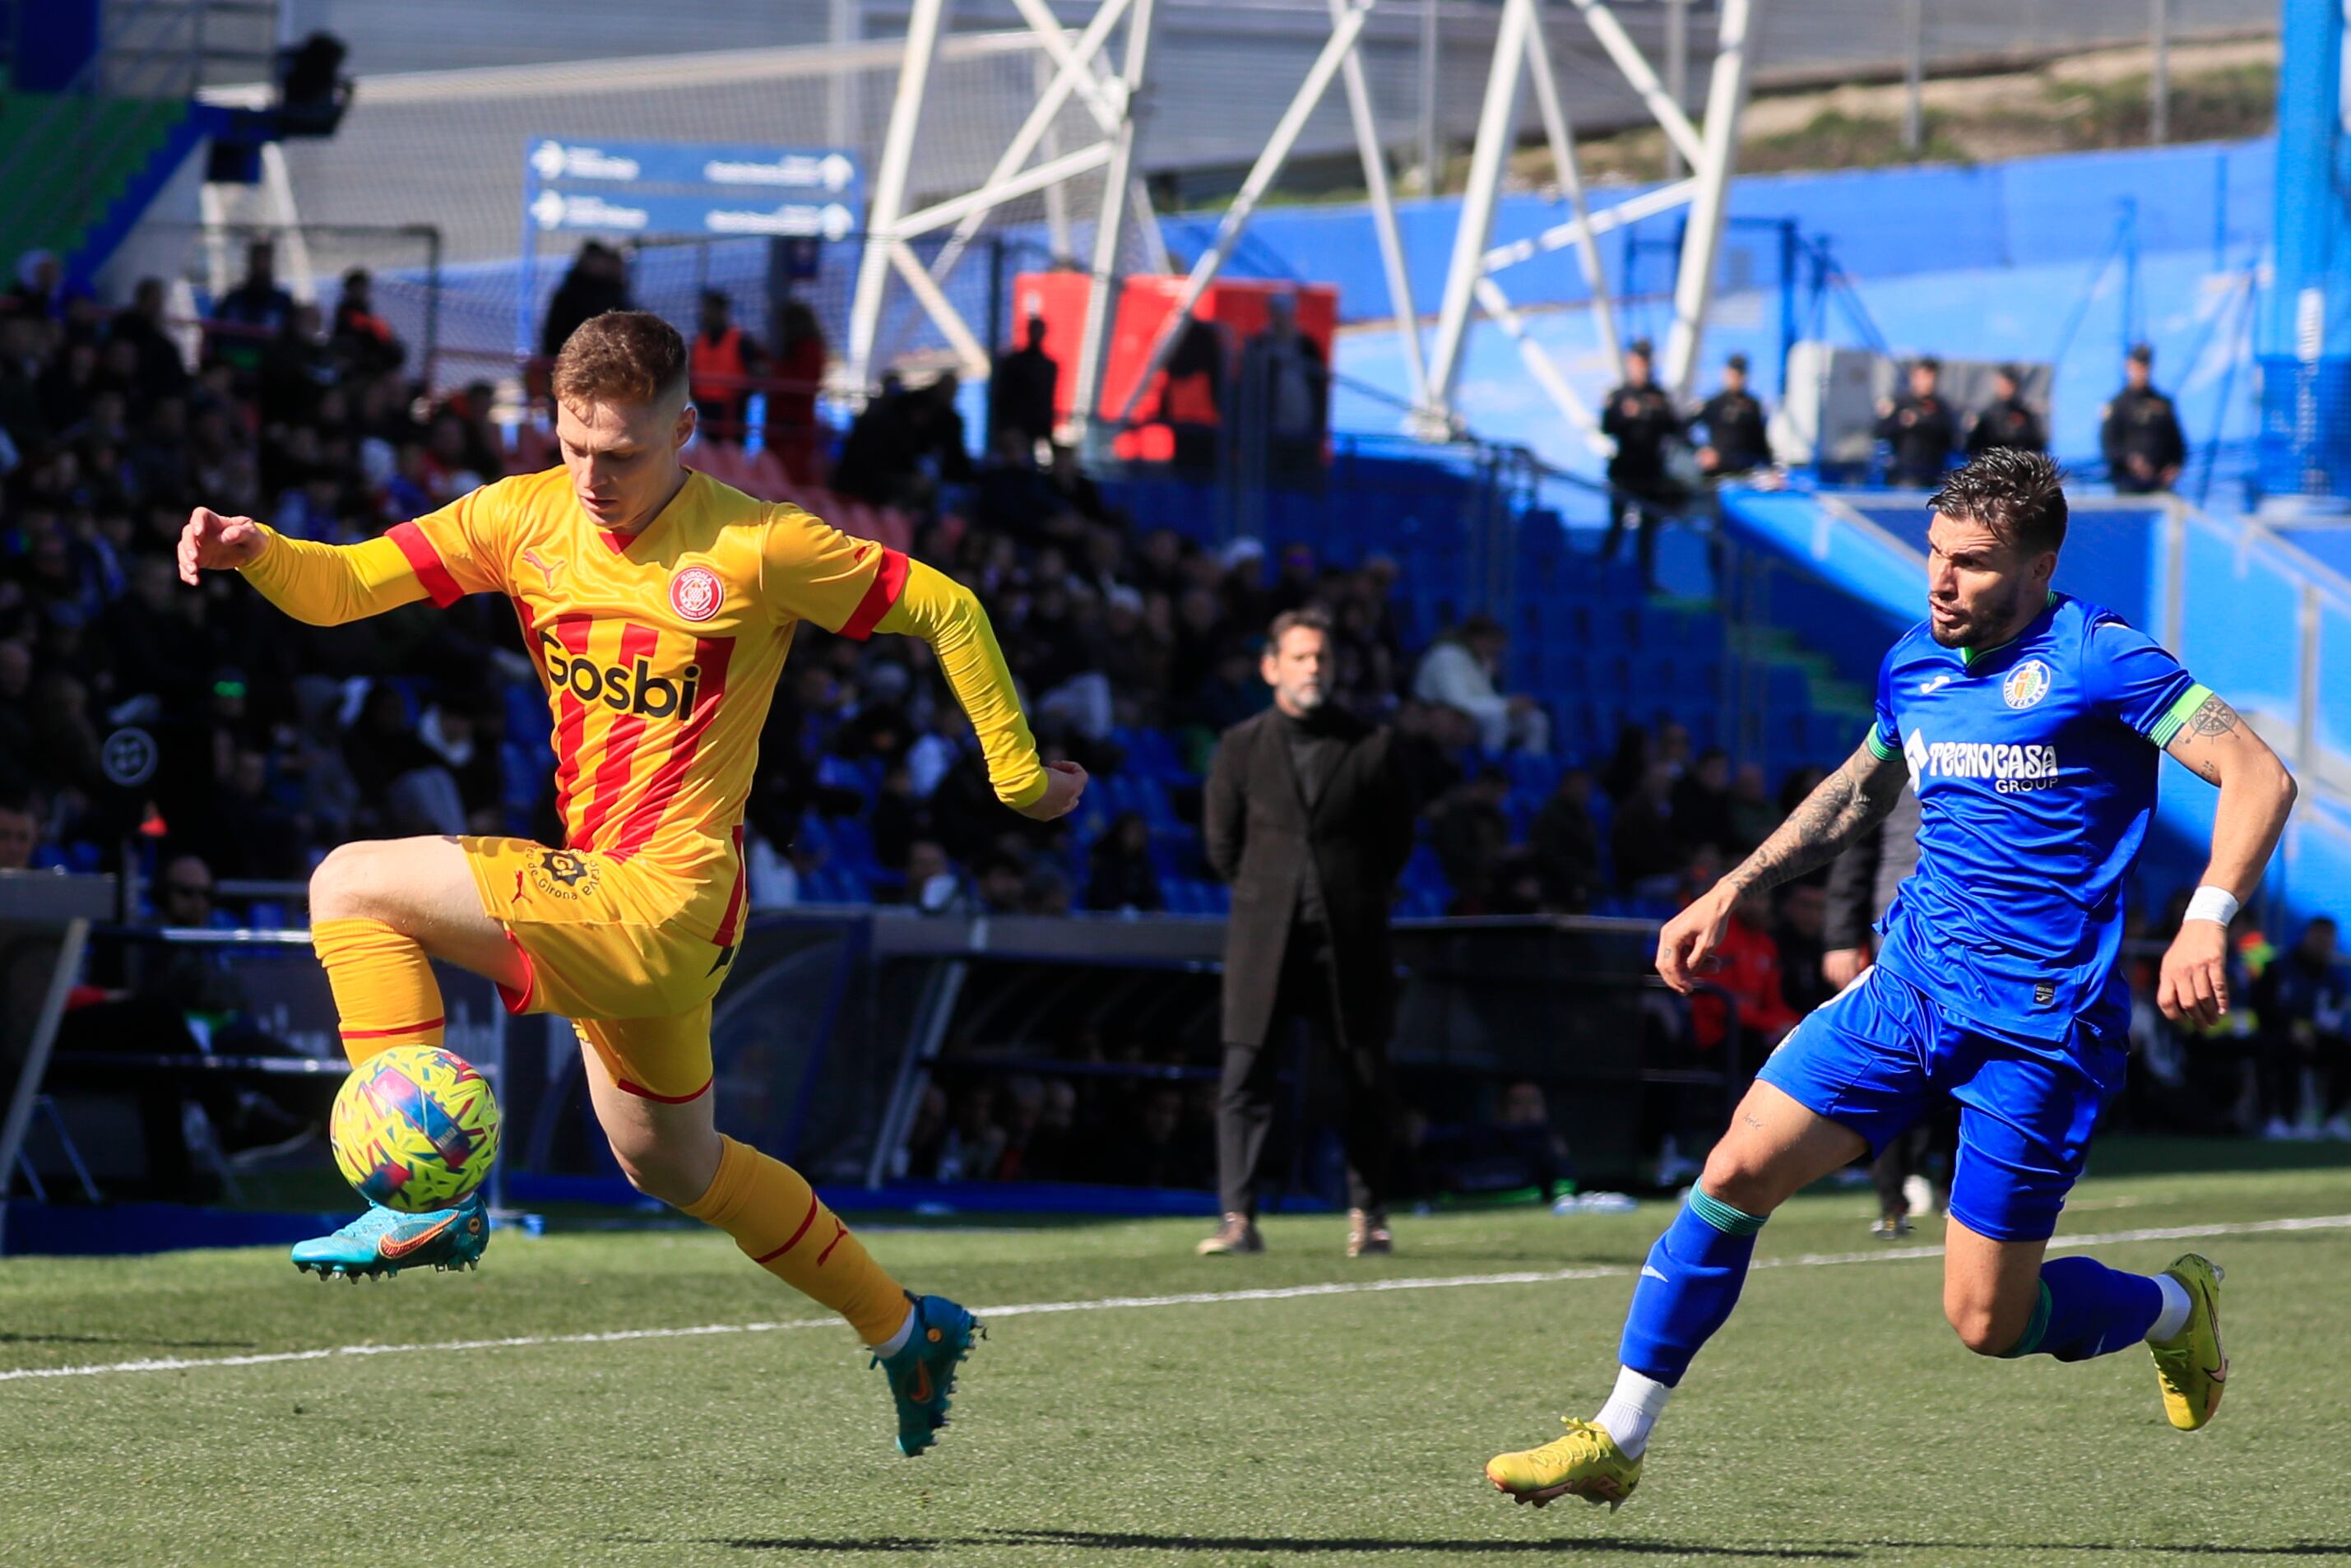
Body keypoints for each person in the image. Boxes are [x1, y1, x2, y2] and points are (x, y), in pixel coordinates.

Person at [178, 308, 1087, 1458]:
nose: (593, 477)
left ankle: (421, 1200)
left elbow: (946, 606)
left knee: (351, 883)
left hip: (670, 899)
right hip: (618, 902)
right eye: (574, 445)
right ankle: (905, 1327)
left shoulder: (757, 544)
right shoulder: (521, 516)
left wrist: (1018, 776)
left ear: (684, 429)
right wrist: (258, 551)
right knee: (673, 1161)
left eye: (622, 452)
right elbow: (348, 584)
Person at [1486, 448, 2296, 1509]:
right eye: (1933, 553)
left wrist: (2204, 919)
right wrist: (1728, 888)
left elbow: (2256, 774)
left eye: (1971, 562)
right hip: (1905, 991)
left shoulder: (2099, 657)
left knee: (1986, 1321)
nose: (1940, 580)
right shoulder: (1912, 660)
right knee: (1732, 1172)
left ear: (2039, 565)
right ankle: (1618, 1433)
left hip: (2038, 1026)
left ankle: (2172, 1309)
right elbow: (1856, 792)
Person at [1199, 606, 1415, 1260]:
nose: (1313, 668)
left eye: (1321, 656)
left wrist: (1351, 896)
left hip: (1351, 941)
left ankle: (1369, 1216)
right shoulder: (1239, 746)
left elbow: (1396, 844)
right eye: (1300, 657)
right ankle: (1237, 1219)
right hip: (1263, 939)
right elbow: (1222, 846)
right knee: (1245, 1077)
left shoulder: (1373, 745)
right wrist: (1270, 895)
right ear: (1271, 668)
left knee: (1364, 1077)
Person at [1820, 784, 1948, 1236]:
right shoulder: (1897, 758)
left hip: (1973, 934)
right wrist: (1840, 938)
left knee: (1971, 1063)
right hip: (1899, 936)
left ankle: (1954, 1187)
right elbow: (1854, 849)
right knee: (1893, 1064)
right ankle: (1892, 1200)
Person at [1599, 338, 1685, 592]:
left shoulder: (1659, 397)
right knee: (1617, 526)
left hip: (1651, 473)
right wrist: (1625, 415)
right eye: (1638, 362)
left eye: (1645, 362)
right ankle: (1602, 579)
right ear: (1630, 363)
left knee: (1648, 531)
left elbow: (1675, 428)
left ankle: (1645, 582)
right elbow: (1607, 427)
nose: (1642, 367)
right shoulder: (1619, 395)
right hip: (1624, 472)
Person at [1410, 614, 1549, 754]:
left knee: (1535, 719)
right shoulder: (1446, 656)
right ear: (1478, 639)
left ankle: (1532, 764)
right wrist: (1506, 707)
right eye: (1493, 643)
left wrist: (1510, 705)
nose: (1496, 650)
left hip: (1472, 715)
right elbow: (1457, 701)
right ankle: (1490, 762)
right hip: (1438, 715)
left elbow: (1485, 698)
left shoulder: (1481, 661)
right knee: (1497, 719)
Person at [2102, 343, 2186, 496]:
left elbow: (2177, 443)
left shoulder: (2162, 404)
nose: (2142, 371)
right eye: (2138, 366)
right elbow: (2110, 445)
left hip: (2159, 485)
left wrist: (2174, 467)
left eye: (2145, 366)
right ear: (2129, 366)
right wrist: (2131, 461)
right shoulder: (2118, 405)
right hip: (2128, 485)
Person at [688, 289, 764, 441]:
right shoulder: (698, 342)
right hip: (705, 409)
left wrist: (742, 396)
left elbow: (756, 372)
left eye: (710, 310)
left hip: (733, 410)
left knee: (732, 450)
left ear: (722, 311)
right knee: (708, 449)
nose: (706, 315)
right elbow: (691, 371)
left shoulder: (740, 340)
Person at [1874, 355, 1956, 488]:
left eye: (1931, 377)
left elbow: (1952, 437)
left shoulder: (1942, 408)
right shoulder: (1901, 404)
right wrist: (1901, 422)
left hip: (1933, 474)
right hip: (1903, 474)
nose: (1927, 382)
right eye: (1923, 377)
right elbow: (1880, 431)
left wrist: (1923, 421)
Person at [1694, 353, 1769, 479]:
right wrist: (1700, 451)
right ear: (1725, 374)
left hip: (1745, 473)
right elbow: (1683, 430)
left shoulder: (1753, 406)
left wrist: (1770, 468)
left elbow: (1761, 443)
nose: (1736, 379)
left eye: (1740, 375)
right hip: (1716, 475)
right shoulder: (1713, 403)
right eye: (1733, 375)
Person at [991, 314, 1060, 454]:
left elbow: (1048, 399)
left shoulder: (1048, 366)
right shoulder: (1013, 363)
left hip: (1035, 428)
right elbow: (1003, 396)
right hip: (1015, 426)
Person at [1965, 364, 2044, 459]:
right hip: (1993, 463)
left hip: (2020, 462)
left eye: (2012, 383)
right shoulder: (1987, 414)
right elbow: (1972, 447)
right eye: (2005, 383)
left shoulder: (2025, 414)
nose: (2009, 387)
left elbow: (2037, 443)